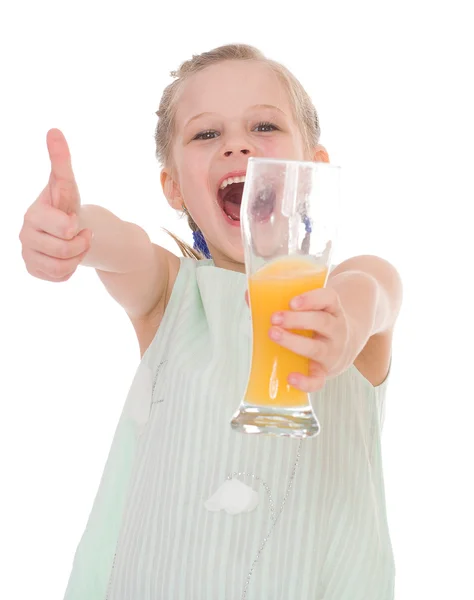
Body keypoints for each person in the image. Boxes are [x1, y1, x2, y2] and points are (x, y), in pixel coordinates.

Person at [19, 43, 403, 600]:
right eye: (206, 135)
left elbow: (376, 293)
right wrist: (74, 228)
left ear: (314, 170)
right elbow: (119, 243)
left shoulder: (345, 291)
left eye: (264, 125)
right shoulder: (170, 297)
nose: (237, 144)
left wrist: (342, 323)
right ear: (174, 186)